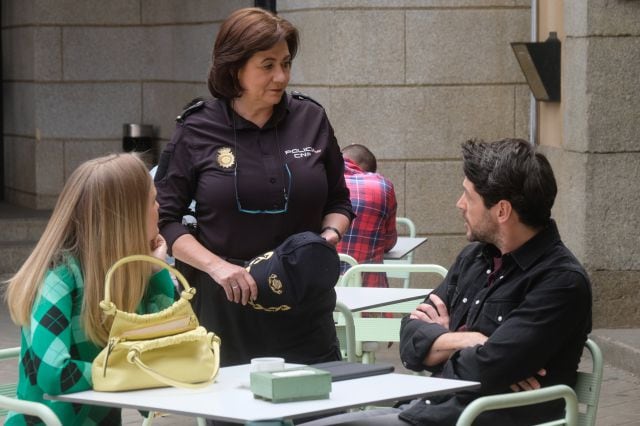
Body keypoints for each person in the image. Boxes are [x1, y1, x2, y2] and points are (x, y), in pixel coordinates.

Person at [300, 138, 592, 426]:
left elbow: (485, 369)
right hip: (426, 409)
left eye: (469, 196)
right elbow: (410, 342)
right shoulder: (475, 258)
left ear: (502, 211)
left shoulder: (561, 282)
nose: (459, 204)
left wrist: (444, 342)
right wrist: (468, 340)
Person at [154, 7, 353, 367]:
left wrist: (326, 239)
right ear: (235, 68)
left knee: (320, 417)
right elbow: (166, 220)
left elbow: (339, 200)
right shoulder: (196, 128)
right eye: (267, 65)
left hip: (304, 303)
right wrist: (216, 267)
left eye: (286, 63)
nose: (281, 76)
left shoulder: (312, 119)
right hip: (226, 309)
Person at [3, 153, 176, 425]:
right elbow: (55, 374)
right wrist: (133, 372)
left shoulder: (129, 272)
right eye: (152, 200)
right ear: (127, 216)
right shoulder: (58, 274)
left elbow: (173, 353)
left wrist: (156, 273)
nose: (160, 207)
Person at [337, 144, 398, 287]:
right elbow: (389, 243)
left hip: (317, 291)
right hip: (366, 292)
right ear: (366, 171)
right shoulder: (383, 186)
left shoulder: (316, 180)